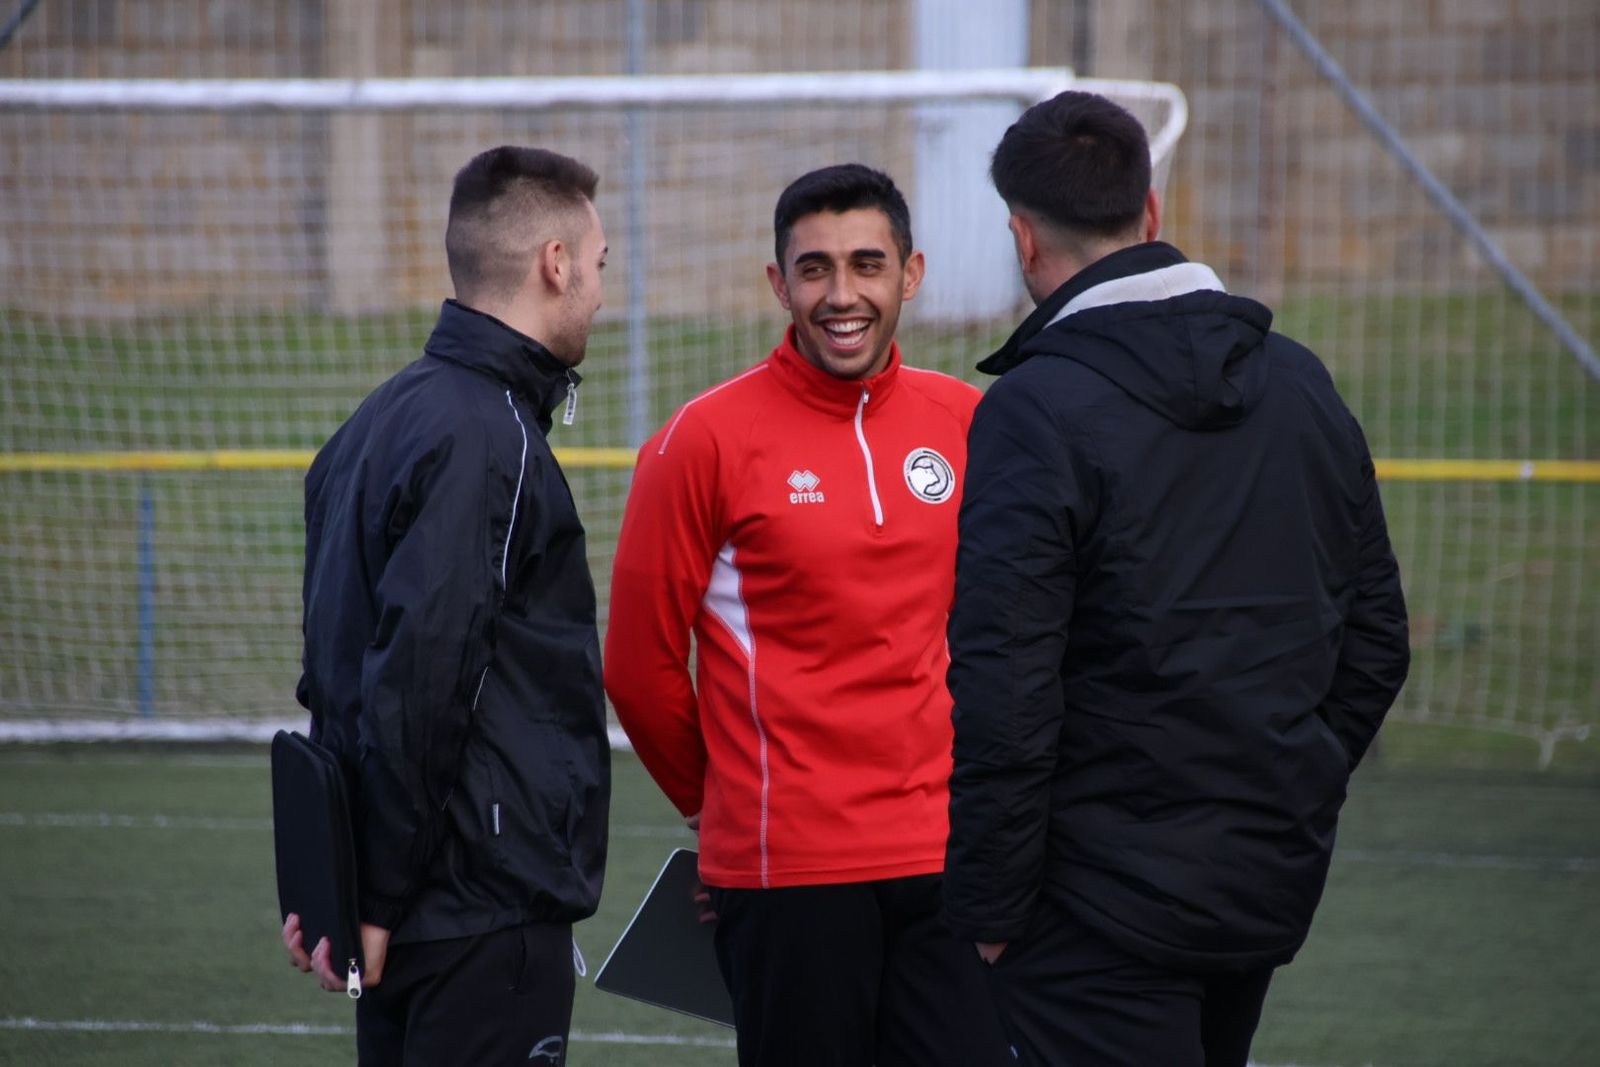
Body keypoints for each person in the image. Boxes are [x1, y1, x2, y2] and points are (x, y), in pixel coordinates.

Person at [943, 90, 1411, 1067]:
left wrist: (988, 903)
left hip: (1093, 906)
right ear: (1149, 213)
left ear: (1024, 239)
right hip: (1257, 879)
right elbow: (1375, 639)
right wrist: (1288, 783)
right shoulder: (1300, 381)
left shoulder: (1033, 409)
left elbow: (1005, 685)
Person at [605, 163, 1010, 1067]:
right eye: (815, 268)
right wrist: (722, 805)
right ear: (778, 283)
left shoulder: (972, 421)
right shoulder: (701, 441)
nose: (842, 294)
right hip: (788, 868)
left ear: (910, 274)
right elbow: (638, 668)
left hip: (947, 859)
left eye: (867, 264)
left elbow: (1003, 640)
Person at [282, 145, 612, 1066]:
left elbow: (335, 672)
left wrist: (344, 884)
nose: (598, 289)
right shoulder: (485, 434)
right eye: (598, 264)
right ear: (555, 263)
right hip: (474, 908)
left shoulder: (377, 418)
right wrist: (378, 894)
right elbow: (420, 677)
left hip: (416, 907)